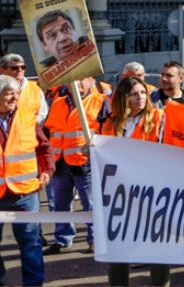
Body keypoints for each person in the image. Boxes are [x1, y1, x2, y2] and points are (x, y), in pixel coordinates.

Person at [98, 76, 170, 286]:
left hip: (153, 192)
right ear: (123, 98)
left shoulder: (159, 117)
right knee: (118, 249)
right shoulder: (109, 123)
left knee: (158, 249)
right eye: (133, 94)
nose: (140, 97)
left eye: (142, 93)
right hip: (119, 193)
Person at [43, 76, 109, 256]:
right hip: (60, 162)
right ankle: (62, 240)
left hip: (85, 162)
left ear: (92, 81)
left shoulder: (100, 102)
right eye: (73, 79)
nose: (77, 82)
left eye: (82, 79)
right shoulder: (58, 102)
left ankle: (95, 239)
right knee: (60, 204)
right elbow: (48, 131)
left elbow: (109, 130)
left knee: (91, 204)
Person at [0, 72, 53, 287]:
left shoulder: (27, 117)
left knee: (31, 243)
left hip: (26, 192)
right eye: (8, 96)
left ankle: (33, 284)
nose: (14, 99)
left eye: (15, 95)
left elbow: (44, 148)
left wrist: (47, 170)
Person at [0, 55, 49, 126]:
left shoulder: (35, 88)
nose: (20, 70)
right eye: (14, 68)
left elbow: (43, 114)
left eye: (23, 67)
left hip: (27, 133)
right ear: (2, 69)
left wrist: (27, 125)